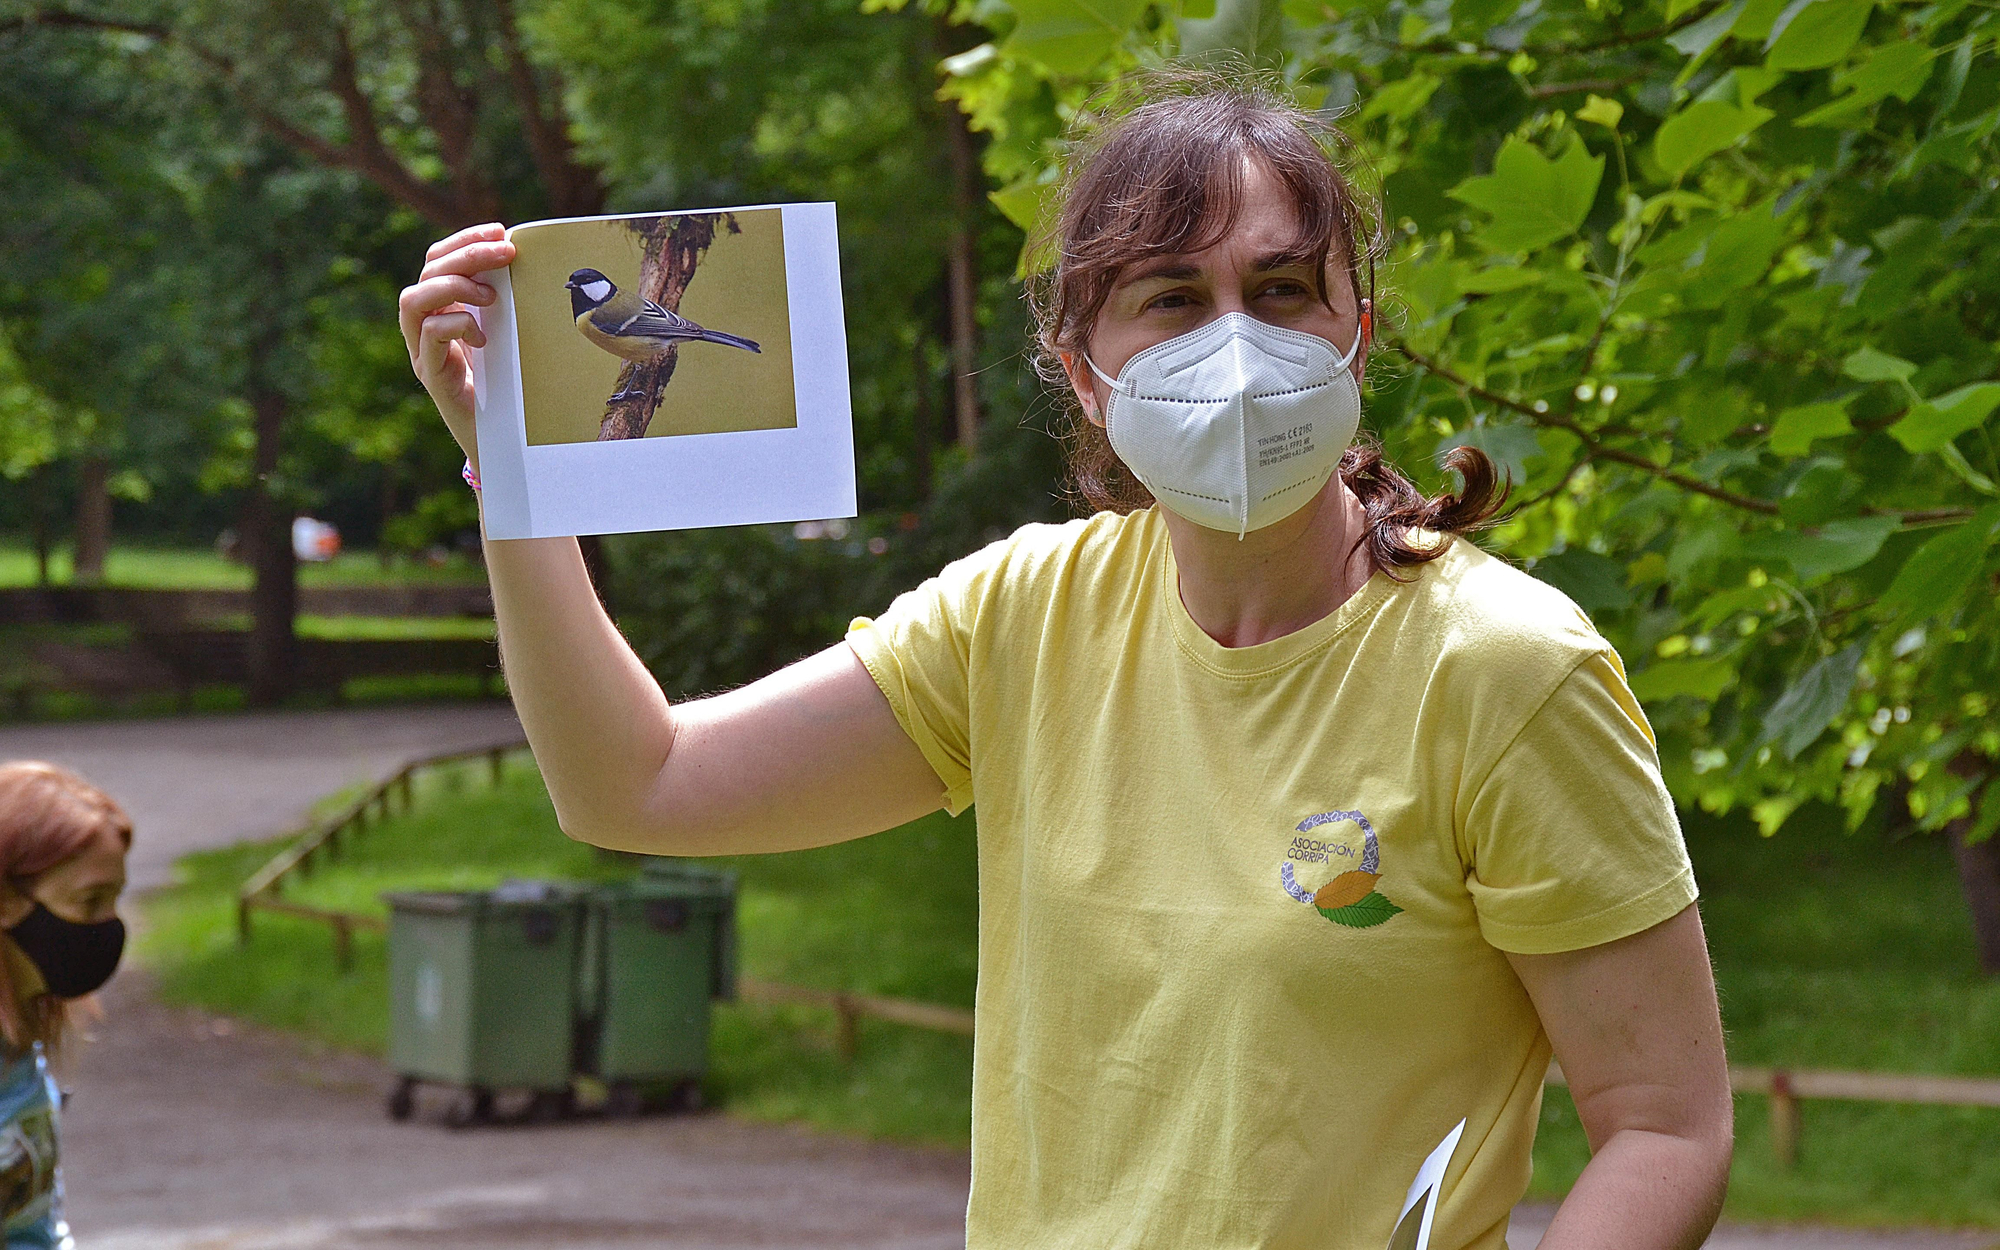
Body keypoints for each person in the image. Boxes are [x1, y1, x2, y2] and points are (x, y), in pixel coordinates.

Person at [400, 72, 1730, 1250]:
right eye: (1171, 299)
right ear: (1083, 372)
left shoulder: (1508, 671)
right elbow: (637, 785)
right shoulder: (1023, 618)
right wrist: (513, 470)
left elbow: (1666, 1129)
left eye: (1280, 290)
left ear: (1357, 332)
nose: (1238, 345)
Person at [0, 762, 130, 1250]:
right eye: (90, 901)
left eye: (114, 900)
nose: (109, 928)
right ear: (7, 899)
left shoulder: (18, 1048)